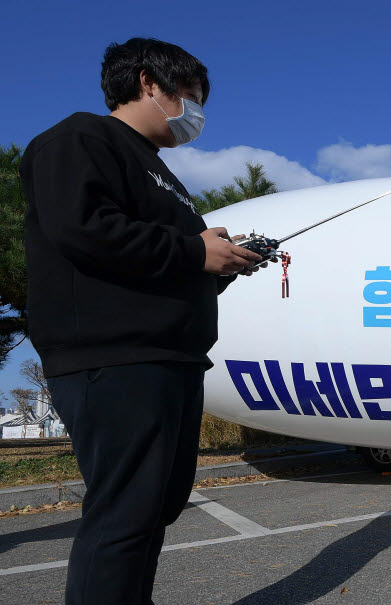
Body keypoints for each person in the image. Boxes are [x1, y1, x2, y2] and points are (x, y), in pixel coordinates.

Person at [19, 38, 263, 604]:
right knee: (125, 511)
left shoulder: (160, 174)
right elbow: (84, 229)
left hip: (171, 357)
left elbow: (159, 260)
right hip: (116, 356)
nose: (197, 113)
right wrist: (193, 252)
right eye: (193, 96)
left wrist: (219, 262)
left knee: (155, 506)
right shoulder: (79, 138)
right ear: (151, 83)